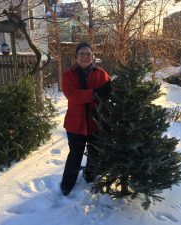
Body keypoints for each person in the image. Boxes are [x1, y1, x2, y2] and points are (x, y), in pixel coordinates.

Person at [60, 42, 111, 196]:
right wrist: (94, 93)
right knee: (75, 155)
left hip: (96, 123)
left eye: (88, 54)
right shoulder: (68, 75)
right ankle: (67, 184)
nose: (85, 56)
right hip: (76, 124)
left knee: (94, 152)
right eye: (82, 53)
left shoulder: (101, 73)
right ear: (76, 57)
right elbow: (72, 95)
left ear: (92, 57)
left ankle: (90, 175)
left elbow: (110, 89)